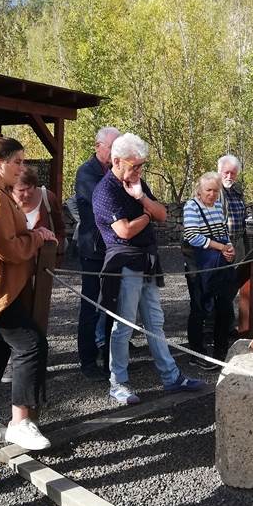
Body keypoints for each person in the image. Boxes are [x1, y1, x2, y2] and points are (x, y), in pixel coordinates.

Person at [92, 132, 205, 406]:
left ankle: (171, 377)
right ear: (116, 161)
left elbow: (163, 214)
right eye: (134, 166)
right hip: (124, 264)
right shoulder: (105, 190)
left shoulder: (137, 183)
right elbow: (125, 231)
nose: (138, 170)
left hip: (148, 262)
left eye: (141, 165)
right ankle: (118, 383)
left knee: (156, 323)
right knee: (124, 326)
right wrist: (147, 215)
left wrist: (142, 198)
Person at [0, 135, 53, 452]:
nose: (22, 168)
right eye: (17, 161)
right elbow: (4, 246)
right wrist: (35, 239)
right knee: (31, 345)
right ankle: (20, 422)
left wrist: (31, 235)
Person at [74, 126, 120, 380]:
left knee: (112, 305)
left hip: (114, 250)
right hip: (94, 249)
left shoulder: (115, 171)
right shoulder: (86, 172)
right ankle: (88, 360)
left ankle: (110, 359)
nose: (116, 152)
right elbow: (106, 204)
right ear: (98, 146)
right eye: (112, 147)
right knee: (90, 306)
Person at [183, 172, 235, 369]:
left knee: (224, 306)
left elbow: (223, 231)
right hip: (200, 264)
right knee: (200, 307)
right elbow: (192, 236)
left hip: (220, 262)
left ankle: (221, 352)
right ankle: (196, 353)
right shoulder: (192, 206)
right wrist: (221, 248)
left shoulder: (218, 206)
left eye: (216, 191)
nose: (212, 194)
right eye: (208, 190)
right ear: (199, 190)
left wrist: (229, 247)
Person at [12, 166, 64, 333]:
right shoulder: (4, 201)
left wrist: (56, 255)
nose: (27, 194)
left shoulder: (48, 198)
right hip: (16, 267)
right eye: (21, 190)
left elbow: (60, 229)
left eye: (30, 189)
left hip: (43, 267)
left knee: (40, 309)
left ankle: (38, 344)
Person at [217, 155, 249, 263]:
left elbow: (242, 214)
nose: (229, 176)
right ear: (219, 172)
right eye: (226, 172)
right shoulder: (212, 190)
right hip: (220, 244)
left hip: (238, 243)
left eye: (233, 173)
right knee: (221, 276)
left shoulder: (238, 191)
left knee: (238, 276)